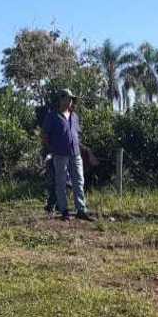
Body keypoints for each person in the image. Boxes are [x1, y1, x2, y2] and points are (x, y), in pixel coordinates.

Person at [40, 89, 94, 222]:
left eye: (71, 99)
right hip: (60, 154)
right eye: (68, 98)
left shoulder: (74, 116)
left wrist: (86, 151)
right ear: (61, 99)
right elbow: (44, 136)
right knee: (61, 182)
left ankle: (81, 210)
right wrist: (52, 150)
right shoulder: (52, 116)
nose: (70, 101)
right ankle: (64, 211)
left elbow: (77, 135)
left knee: (79, 181)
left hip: (75, 154)